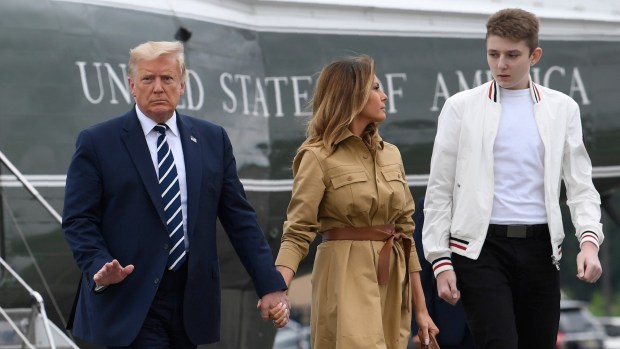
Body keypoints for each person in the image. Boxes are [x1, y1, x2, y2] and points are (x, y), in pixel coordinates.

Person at [62, 40, 289, 349]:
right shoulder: (97, 142)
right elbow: (78, 220)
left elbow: (241, 220)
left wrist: (270, 286)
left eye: (167, 78)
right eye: (147, 79)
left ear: (182, 85)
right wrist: (98, 264)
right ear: (131, 85)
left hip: (191, 303)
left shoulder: (212, 140)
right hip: (128, 298)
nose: (158, 87)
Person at [422, 8, 604, 349]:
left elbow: (580, 186)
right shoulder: (461, 107)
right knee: (498, 343)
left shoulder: (562, 108)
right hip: (480, 250)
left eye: (512, 55)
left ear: (534, 55)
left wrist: (589, 243)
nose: (501, 64)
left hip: (542, 250)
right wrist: (439, 260)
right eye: (493, 54)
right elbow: (440, 189)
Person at [274, 54, 438, 349]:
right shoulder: (316, 155)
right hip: (344, 275)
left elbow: (407, 235)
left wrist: (422, 311)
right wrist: (276, 288)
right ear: (351, 96)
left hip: (393, 279)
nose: (384, 95)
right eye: (375, 88)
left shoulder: (392, 154)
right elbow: (298, 232)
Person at [411, 197, 474, 349]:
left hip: (493, 320)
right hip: (446, 324)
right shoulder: (430, 204)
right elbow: (421, 269)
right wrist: (418, 325)